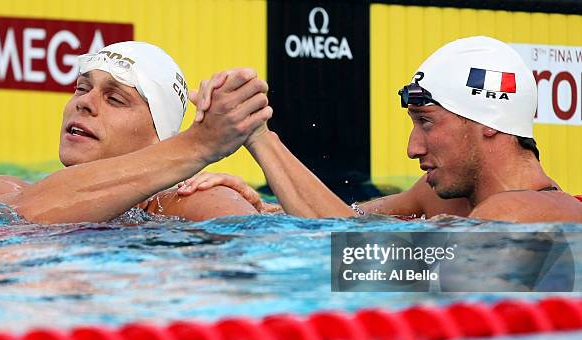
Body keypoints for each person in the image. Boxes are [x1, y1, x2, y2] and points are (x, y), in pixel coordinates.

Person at [178, 36, 582, 223]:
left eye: (426, 122)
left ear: (488, 123)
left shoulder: (527, 214)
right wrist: (259, 209)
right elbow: (342, 224)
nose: (411, 148)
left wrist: (258, 135)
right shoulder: (436, 198)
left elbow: (357, 265)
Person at [0, 41, 273, 224]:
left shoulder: (187, 206)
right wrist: (200, 145)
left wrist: (267, 211)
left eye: (115, 99)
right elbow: (29, 216)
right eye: (82, 88)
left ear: (160, 139)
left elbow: (317, 263)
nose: (84, 103)